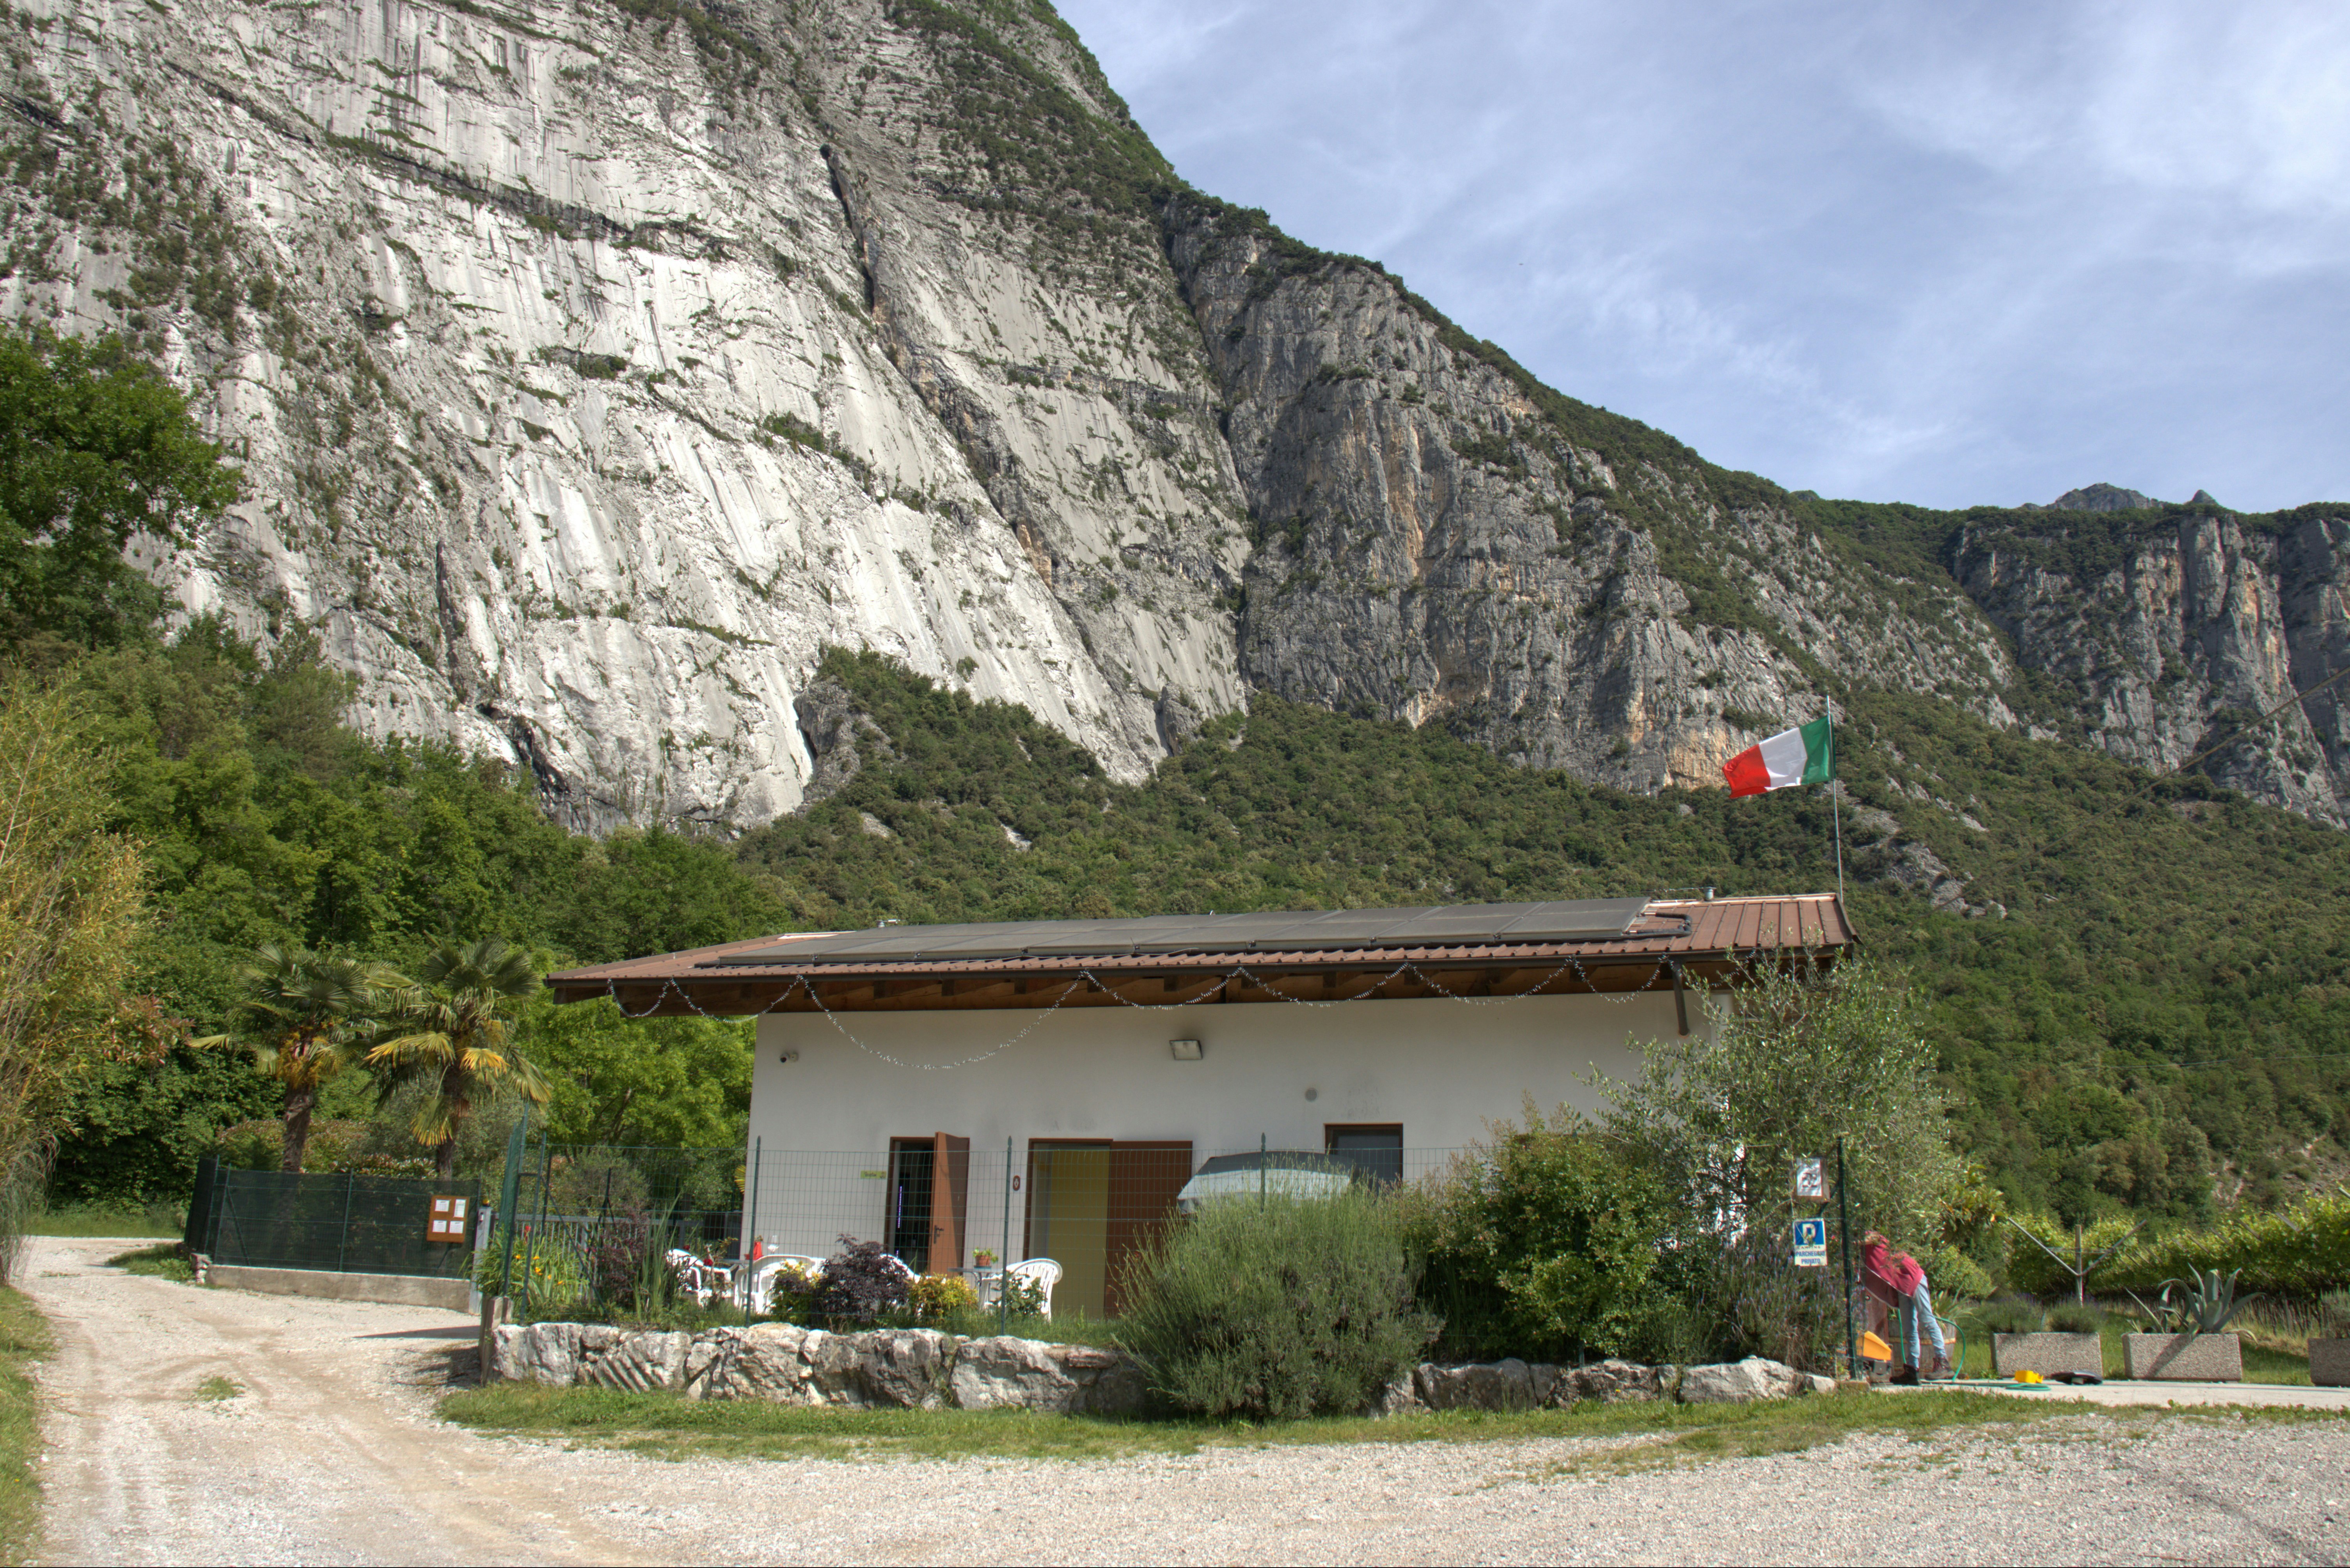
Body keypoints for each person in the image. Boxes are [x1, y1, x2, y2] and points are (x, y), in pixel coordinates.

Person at [1860, 1231, 1949, 1382]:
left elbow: (1873, 1238)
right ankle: (1912, 1371)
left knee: (1927, 1320)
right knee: (1909, 1330)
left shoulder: (1874, 1237)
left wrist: (1854, 1241)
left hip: (1913, 1279)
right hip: (1902, 1287)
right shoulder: (1862, 1253)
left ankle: (1943, 1362)